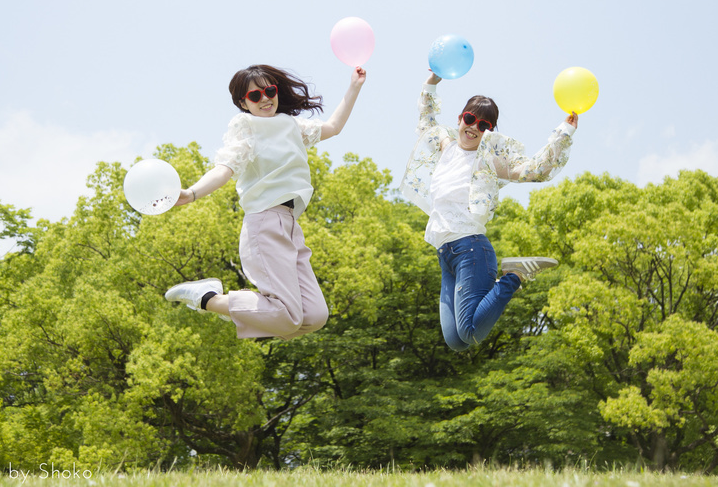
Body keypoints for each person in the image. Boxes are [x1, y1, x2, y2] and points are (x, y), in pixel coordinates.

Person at [165, 64, 366, 340]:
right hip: (264, 223)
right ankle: (207, 298)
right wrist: (191, 193)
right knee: (288, 317)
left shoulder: (290, 125)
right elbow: (225, 168)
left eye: (269, 91)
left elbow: (333, 127)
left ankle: (245, 311)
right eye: (255, 96)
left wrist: (354, 86)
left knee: (315, 316)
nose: (265, 99)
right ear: (243, 103)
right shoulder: (246, 127)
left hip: (291, 224)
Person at [400, 71, 578, 351]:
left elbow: (536, 170)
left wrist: (564, 132)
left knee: (470, 332)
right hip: (445, 254)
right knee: (456, 341)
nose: (473, 127)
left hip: (471, 249)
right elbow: (427, 122)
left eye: (483, 125)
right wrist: (431, 83)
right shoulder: (444, 147)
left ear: (489, 132)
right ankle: (508, 278)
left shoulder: (490, 163)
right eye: (470, 119)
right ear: (460, 118)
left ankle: (514, 276)